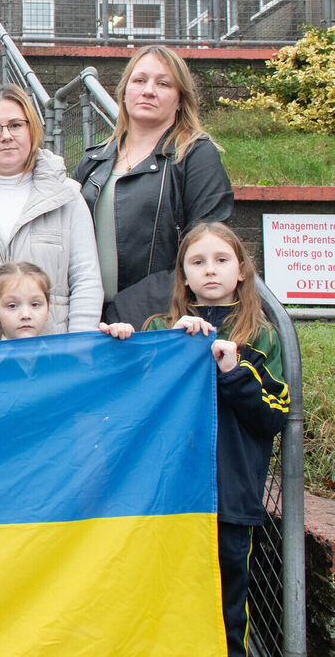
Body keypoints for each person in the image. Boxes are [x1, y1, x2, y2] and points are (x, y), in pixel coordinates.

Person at [112, 222, 288, 657]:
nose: (210, 270)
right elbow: (128, 397)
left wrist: (233, 371)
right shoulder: (159, 326)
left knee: (227, 607)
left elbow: (274, 416)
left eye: (222, 259)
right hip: (164, 495)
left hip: (230, 496)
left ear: (243, 270)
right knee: (160, 595)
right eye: (198, 262)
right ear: (183, 275)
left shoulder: (261, 334)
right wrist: (123, 344)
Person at [72, 45, 234, 326]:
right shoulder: (94, 159)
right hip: (91, 319)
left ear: (180, 99)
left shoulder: (195, 154)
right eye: (139, 80)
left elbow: (205, 247)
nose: (148, 90)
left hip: (159, 319)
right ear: (124, 93)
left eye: (163, 83)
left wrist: (128, 311)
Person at [0, 85, 102, 341]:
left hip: (49, 353)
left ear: (31, 129)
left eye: (15, 125)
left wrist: (78, 346)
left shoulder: (67, 196)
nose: (6, 136)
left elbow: (86, 279)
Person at [0, 262, 53, 340]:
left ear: (48, 309)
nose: (25, 315)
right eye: (12, 306)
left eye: (35, 305)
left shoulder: (58, 351)